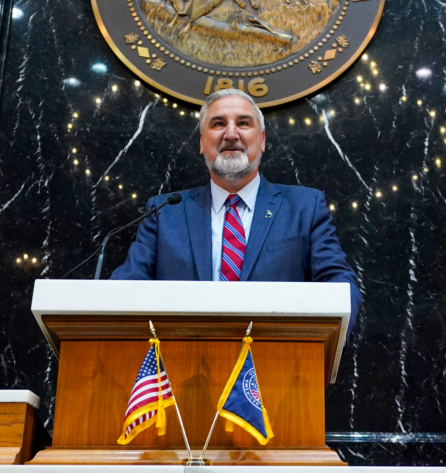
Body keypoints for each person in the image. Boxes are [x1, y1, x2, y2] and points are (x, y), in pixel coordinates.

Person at [110, 88, 361, 335]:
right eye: (218, 124)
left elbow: (340, 288)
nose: (231, 133)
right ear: (201, 142)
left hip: (278, 365)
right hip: (181, 366)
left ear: (262, 140)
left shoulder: (304, 207)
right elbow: (121, 294)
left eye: (243, 123)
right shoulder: (165, 212)